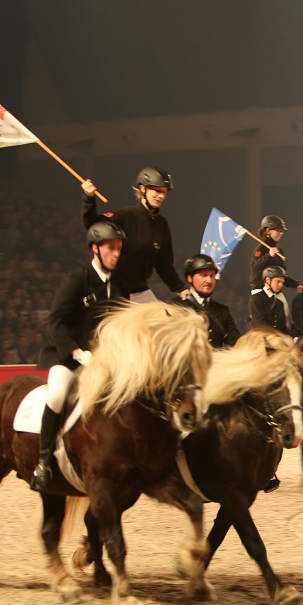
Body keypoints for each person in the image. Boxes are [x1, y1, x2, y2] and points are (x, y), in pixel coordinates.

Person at [31, 221, 128, 493]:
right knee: (58, 394)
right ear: (95, 249)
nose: (116, 253)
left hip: (105, 362)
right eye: (111, 248)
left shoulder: (120, 287)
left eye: (119, 248)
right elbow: (56, 321)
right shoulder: (78, 279)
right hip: (70, 358)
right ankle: (44, 460)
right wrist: (76, 352)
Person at [81, 166, 187, 303]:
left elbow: (164, 264)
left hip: (140, 290)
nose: (161, 196)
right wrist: (88, 199)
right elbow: (93, 226)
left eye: (164, 192)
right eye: (157, 190)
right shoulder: (123, 216)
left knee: (164, 321)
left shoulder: (162, 224)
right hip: (113, 290)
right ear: (143, 188)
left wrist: (180, 288)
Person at [173, 254, 240, 349]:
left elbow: (236, 344)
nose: (209, 280)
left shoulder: (222, 311)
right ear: (189, 278)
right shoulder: (176, 306)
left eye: (212, 276)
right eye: (203, 275)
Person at [249, 265, 291, 334]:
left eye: (282, 282)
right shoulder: (256, 298)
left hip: (276, 338)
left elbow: (282, 327)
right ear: (267, 280)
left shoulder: (279, 303)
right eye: (278, 281)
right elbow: (259, 323)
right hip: (260, 338)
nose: (281, 285)